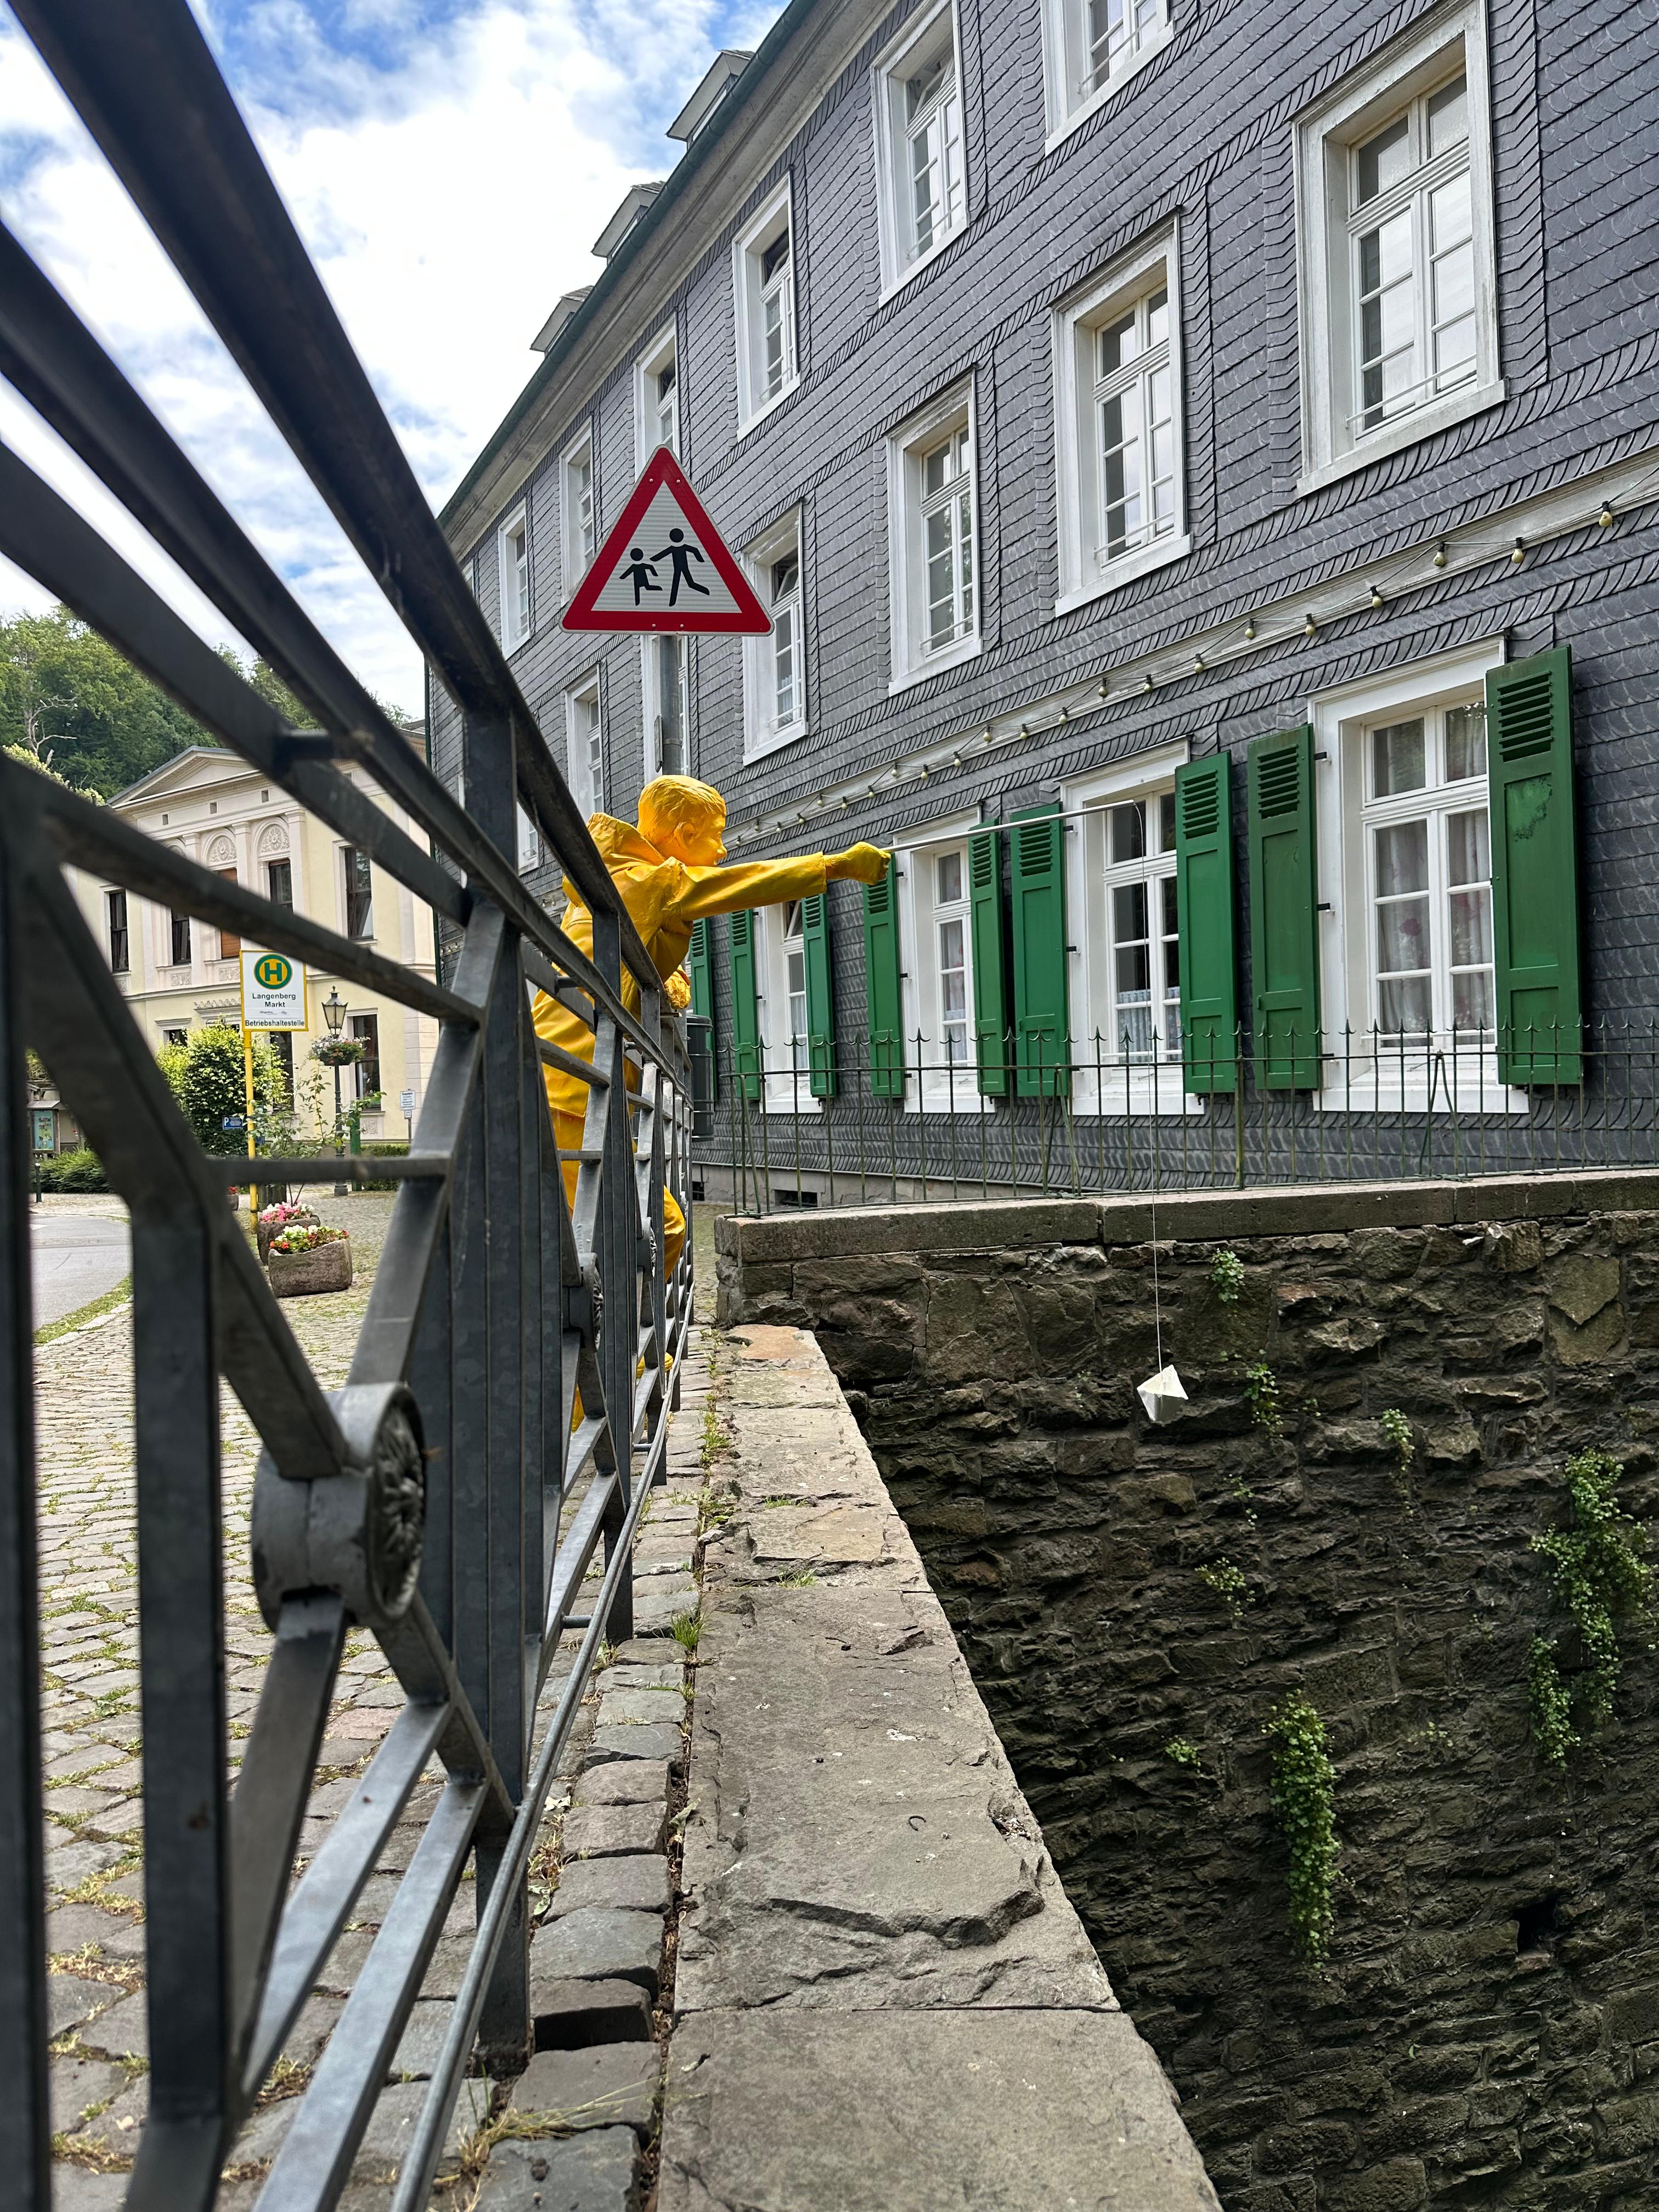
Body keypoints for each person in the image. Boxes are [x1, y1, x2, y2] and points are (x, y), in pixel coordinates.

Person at [533, 774, 889, 1279]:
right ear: (681, 832)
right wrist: (836, 866)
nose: (722, 850)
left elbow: (628, 968)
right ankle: (619, 1356)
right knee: (646, 1231)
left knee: (594, 1235)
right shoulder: (648, 880)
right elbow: (735, 886)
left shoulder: (618, 881)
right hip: (568, 1086)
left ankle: (593, 1348)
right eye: (715, 835)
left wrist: (668, 985)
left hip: (566, 1079)